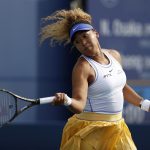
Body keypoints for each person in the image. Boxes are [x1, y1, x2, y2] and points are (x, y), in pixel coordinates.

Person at [40, 8, 150, 150]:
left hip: (117, 129)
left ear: (95, 33)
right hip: (91, 132)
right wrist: (66, 100)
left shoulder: (114, 55)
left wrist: (145, 105)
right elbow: (79, 105)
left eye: (85, 36)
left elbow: (121, 87)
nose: (83, 43)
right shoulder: (82, 68)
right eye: (78, 42)